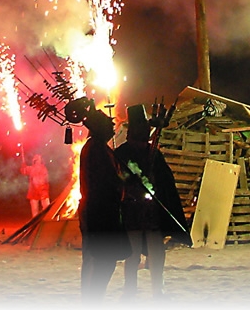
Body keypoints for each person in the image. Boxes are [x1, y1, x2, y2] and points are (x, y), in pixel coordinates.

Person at [116, 105, 191, 300]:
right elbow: (117, 179)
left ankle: (159, 290)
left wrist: (154, 183)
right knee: (131, 253)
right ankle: (129, 289)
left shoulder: (154, 154)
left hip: (152, 211)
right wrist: (131, 182)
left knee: (156, 251)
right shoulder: (121, 154)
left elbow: (166, 179)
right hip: (131, 209)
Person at [76, 103, 129, 302]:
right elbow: (104, 180)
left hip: (101, 210)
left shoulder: (98, 148)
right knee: (101, 261)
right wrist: (123, 181)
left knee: (101, 260)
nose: (112, 129)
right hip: (99, 211)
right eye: (108, 126)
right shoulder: (95, 150)